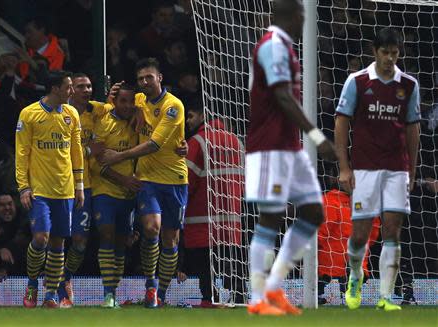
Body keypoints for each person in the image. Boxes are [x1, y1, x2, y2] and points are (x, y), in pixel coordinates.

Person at [245, 0, 336, 316]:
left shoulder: (285, 46)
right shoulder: (272, 46)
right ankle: (257, 298)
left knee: (313, 212)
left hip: (290, 148)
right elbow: (282, 96)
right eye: (301, 15)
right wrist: (317, 137)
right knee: (270, 217)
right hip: (270, 147)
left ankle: (274, 287)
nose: (304, 21)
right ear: (290, 15)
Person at [334, 27, 420, 311]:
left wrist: (412, 171)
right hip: (365, 168)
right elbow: (341, 122)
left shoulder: (408, 84)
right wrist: (344, 168)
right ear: (375, 51)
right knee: (360, 234)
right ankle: (356, 276)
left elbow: (412, 127)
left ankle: (386, 296)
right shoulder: (357, 82)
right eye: (385, 53)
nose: (390, 58)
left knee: (393, 230)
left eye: (395, 53)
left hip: (396, 168)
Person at [101, 57, 188, 308]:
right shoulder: (139, 100)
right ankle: (150, 285)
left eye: (149, 77)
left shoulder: (174, 106)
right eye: (141, 79)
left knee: (170, 239)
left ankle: (160, 294)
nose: (145, 82)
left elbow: (155, 144)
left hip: (174, 179)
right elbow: (117, 104)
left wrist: (119, 156)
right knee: (151, 228)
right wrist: (114, 94)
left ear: (160, 78)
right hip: (147, 179)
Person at [15, 70, 84, 308]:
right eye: (69, 87)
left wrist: (80, 186)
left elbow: (76, 151)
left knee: (57, 244)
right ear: (55, 89)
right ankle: (32, 284)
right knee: (41, 238)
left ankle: (51, 294)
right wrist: (23, 187)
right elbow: (22, 153)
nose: (72, 91)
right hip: (40, 190)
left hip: (65, 190)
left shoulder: (72, 113)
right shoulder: (29, 114)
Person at [177, 99, 244, 307]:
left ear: (203, 115)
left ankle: (208, 298)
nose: (187, 121)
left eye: (190, 116)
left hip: (202, 216)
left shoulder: (197, 142)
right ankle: (239, 298)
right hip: (232, 215)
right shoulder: (236, 141)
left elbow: (186, 181)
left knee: (205, 261)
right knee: (231, 261)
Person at [56, 73, 107, 307]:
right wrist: (89, 151)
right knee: (58, 237)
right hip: (64, 184)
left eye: (89, 86)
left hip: (90, 185)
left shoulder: (98, 110)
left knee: (80, 242)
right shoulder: (62, 114)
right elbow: (64, 151)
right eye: (81, 86)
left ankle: (65, 275)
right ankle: (51, 283)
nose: (87, 90)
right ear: (70, 90)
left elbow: (125, 108)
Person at [90, 84, 140, 308]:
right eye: (123, 101)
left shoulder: (138, 121)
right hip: (105, 189)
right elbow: (96, 162)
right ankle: (108, 294)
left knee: (122, 242)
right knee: (107, 234)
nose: (128, 106)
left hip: (128, 192)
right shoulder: (103, 123)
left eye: (131, 102)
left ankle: (114, 293)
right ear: (115, 101)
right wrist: (124, 180)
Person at [317, 167, 380, 305]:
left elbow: (319, 234)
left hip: (328, 271)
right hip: (350, 269)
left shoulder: (328, 201)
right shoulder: (366, 203)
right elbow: (373, 233)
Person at [0, 193, 31, 281]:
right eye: (2, 205)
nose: (7, 208)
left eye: (10, 204)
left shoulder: (23, 221)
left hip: (26, 277)